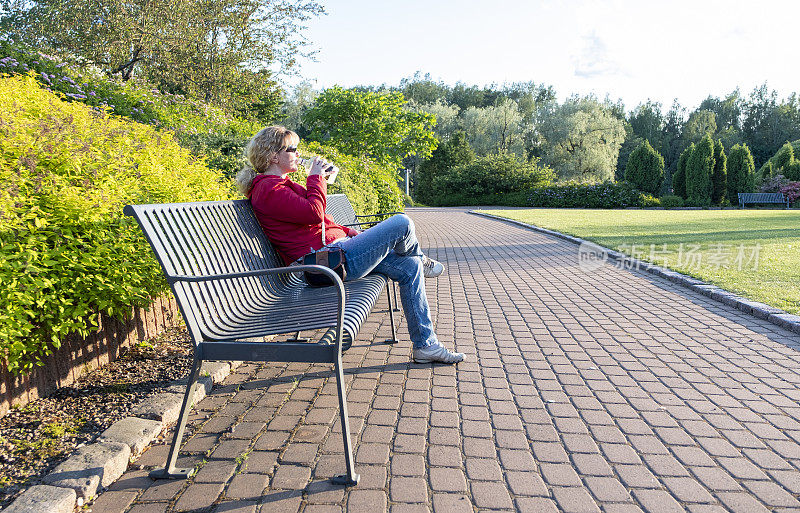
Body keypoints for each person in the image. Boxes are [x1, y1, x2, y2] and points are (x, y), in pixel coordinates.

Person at [236, 126, 463, 364]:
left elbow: (322, 221)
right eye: (292, 149)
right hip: (325, 265)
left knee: (409, 267)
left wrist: (350, 231)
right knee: (401, 222)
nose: (297, 153)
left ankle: (425, 345)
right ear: (274, 155)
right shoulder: (267, 189)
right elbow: (314, 212)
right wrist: (316, 178)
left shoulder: (281, 184)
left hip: (338, 253)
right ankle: (420, 257)